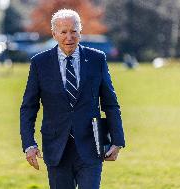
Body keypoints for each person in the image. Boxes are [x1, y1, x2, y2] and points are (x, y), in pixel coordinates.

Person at [20, 9, 125, 189]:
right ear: (54, 34)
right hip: (56, 149)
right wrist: (29, 144)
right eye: (63, 32)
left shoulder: (96, 59)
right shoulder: (40, 63)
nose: (69, 37)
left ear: (80, 32)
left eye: (73, 31)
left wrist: (117, 140)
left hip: (91, 147)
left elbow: (110, 103)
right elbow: (29, 108)